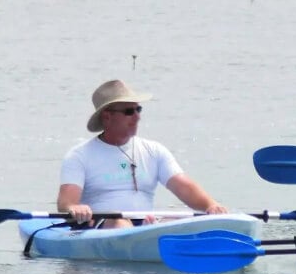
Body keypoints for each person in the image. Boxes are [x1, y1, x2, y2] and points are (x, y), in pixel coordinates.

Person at [57, 79, 227, 228]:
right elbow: (66, 203)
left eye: (138, 109)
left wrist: (210, 206)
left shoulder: (154, 151)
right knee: (119, 222)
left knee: (175, 217)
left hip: (145, 224)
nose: (137, 117)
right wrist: (74, 208)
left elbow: (183, 187)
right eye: (129, 112)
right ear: (107, 117)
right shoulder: (79, 156)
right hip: (102, 226)